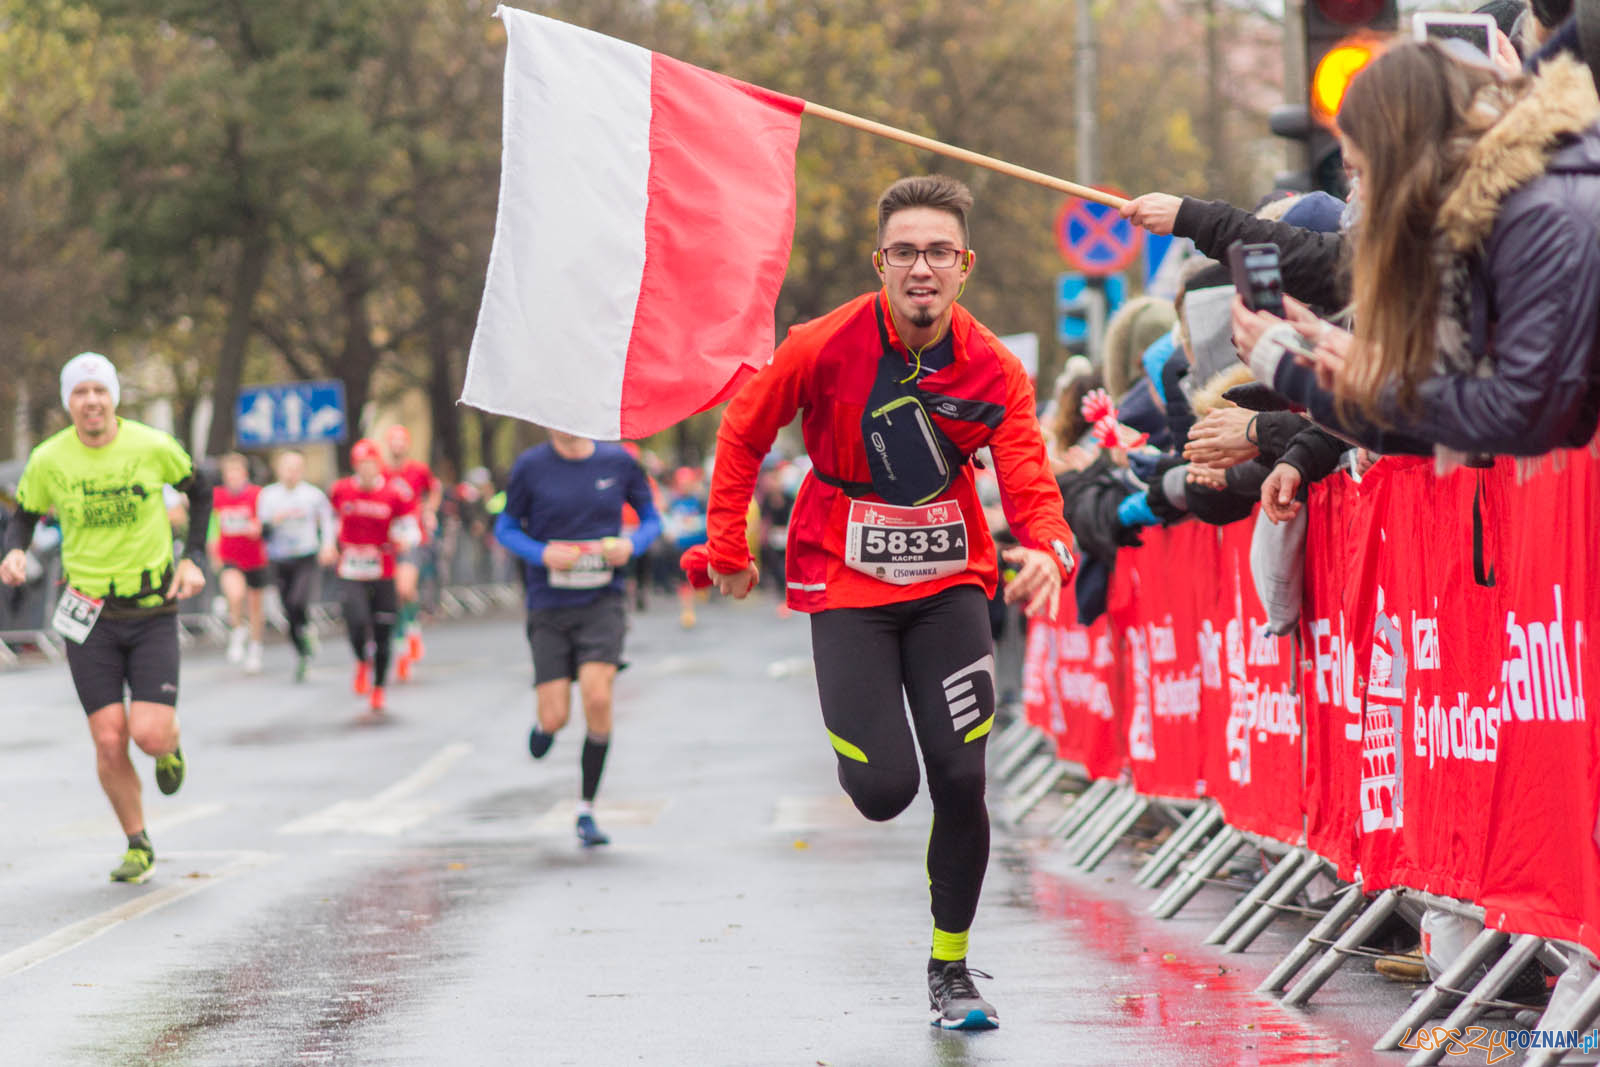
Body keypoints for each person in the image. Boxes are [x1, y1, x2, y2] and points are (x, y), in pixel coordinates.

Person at [703, 176, 1076, 1031]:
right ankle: (867, 741)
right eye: (903, 251)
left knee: (960, 774)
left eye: (938, 252)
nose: (921, 267)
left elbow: (1028, 477)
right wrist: (727, 543)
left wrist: (1050, 551)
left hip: (951, 584)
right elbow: (743, 429)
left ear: (964, 266)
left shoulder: (993, 368)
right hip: (845, 581)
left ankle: (952, 969)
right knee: (882, 789)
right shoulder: (822, 343)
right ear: (880, 263)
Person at [1235, 42, 1600, 463]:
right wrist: (1330, 366)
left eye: (1364, 172)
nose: (1360, 195)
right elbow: (1461, 432)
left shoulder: (1536, 214)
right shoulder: (1502, 212)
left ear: (1405, 160)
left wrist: (1328, 374)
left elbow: (1524, 414)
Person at [0, 353, 209, 883]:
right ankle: (137, 841)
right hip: (87, 611)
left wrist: (193, 558)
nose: (91, 401)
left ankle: (169, 746)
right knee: (109, 736)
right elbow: (24, 513)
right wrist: (16, 551)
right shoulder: (49, 459)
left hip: (151, 606)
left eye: (99, 391)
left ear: (112, 397)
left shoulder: (151, 445)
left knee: (147, 734)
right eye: (80, 392)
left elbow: (200, 489)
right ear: (69, 402)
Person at [494, 430, 662, 848]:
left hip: (602, 602)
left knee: (598, 697)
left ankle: (586, 808)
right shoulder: (530, 466)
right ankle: (544, 726)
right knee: (557, 716)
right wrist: (541, 553)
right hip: (549, 604)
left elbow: (653, 519)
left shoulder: (618, 462)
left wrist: (632, 544)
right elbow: (506, 527)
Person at [328, 438, 419, 719]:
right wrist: (328, 544)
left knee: (383, 630)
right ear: (355, 466)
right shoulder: (341, 490)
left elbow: (410, 527)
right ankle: (361, 660)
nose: (366, 470)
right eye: (361, 465)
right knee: (356, 621)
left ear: (377, 465)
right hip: (352, 567)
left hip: (382, 568)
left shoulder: (394, 493)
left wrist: (405, 540)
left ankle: (379, 686)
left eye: (371, 465)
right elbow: (330, 520)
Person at [258, 449, 337, 682]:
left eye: (296, 468)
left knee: (298, 600)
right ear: (279, 470)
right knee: (288, 610)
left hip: (306, 555)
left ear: (302, 471)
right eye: (287, 468)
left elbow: (327, 522)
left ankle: (307, 630)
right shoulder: (268, 496)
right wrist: (273, 522)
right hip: (280, 558)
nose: (292, 473)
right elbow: (261, 530)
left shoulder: (313, 495)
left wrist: (328, 546)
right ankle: (302, 649)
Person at [383, 425, 441, 681]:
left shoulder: (418, 470)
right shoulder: (381, 473)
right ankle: (402, 641)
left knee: (405, 588)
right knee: (395, 592)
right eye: (392, 441)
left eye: (401, 441)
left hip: (413, 537)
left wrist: (429, 511)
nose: (397, 445)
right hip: (388, 540)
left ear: (406, 444)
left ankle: (412, 628)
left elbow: (434, 489)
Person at [210, 452, 269, 674]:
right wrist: (213, 552)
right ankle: (237, 629)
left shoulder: (257, 495)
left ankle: (255, 647)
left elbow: (267, 519)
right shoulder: (218, 497)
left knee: (255, 605)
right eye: (229, 474)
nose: (233, 478)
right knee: (235, 595)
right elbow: (212, 527)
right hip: (230, 555)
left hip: (254, 557)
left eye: (237, 473)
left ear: (245, 474)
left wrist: (259, 527)